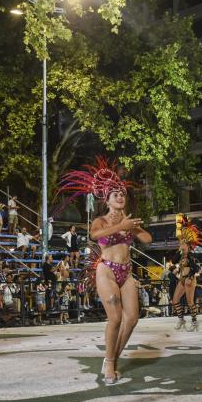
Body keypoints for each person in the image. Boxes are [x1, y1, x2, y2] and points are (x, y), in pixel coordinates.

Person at [60, 156, 151, 384]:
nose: (120, 197)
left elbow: (147, 239)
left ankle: (111, 358)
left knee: (132, 319)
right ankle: (110, 363)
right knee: (116, 318)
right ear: (108, 200)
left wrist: (134, 228)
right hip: (107, 270)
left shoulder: (129, 222)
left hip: (126, 272)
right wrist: (121, 227)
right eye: (116, 195)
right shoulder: (101, 220)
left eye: (122, 194)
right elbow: (94, 235)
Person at [170, 217, 202, 331]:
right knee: (175, 301)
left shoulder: (191, 255)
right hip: (182, 279)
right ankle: (181, 319)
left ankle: (194, 322)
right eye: (180, 242)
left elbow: (197, 268)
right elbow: (173, 261)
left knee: (190, 302)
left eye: (183, 243)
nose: (180, 244)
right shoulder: (181, 253)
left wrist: (190, 277)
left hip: (189, 280)